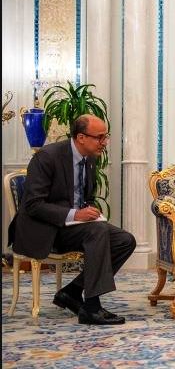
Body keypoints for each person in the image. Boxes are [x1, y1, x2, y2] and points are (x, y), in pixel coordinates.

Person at [8, 114, 136, 325]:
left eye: (106, 136)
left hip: (72, 227)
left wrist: (89, 210)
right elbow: (33, 205)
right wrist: (75, 215)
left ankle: (72, 292)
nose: (104, 142)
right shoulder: (47, 157)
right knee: (98, 231)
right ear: (81, 137)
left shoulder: (90, 158)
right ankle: (91, 308)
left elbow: (84, 196)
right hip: (43, 228)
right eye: (100, 137)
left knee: (125, 240)